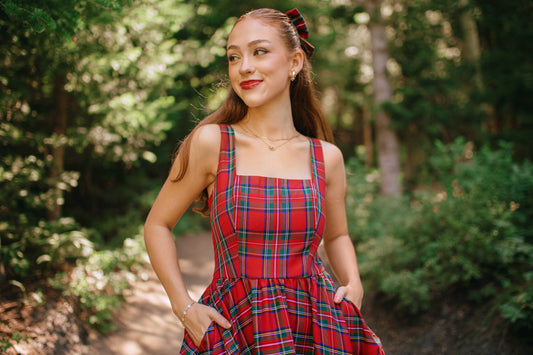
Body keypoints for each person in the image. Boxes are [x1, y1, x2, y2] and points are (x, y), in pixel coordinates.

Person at [144, 7, 384, 355]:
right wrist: (184, 307)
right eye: (233, 57)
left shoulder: (326, 158)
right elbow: (157, 225)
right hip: (235, 327)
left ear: (294, 63)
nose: (244, 67)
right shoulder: (212, 143)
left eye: (260, 51)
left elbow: (337, 234)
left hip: (315, 324)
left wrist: (354, 283)